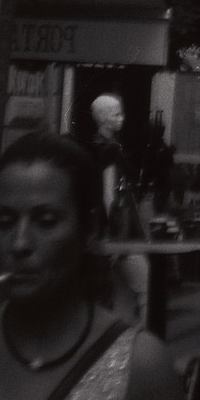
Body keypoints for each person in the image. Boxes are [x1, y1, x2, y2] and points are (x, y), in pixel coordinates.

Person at [0, 133, 196, 400]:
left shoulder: (141, 366)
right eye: (4, 222)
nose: (20, 243)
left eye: (46, 221)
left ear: (88, 230)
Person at [85, 96, 147, 324]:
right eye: (116, 114)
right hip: (117, 230)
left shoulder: (95, 145)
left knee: (112, 288)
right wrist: (114, 230)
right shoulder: (109, 149)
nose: (122, 118)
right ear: (103, 119)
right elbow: (109, 194)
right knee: (143, 284)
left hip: (103, 229)